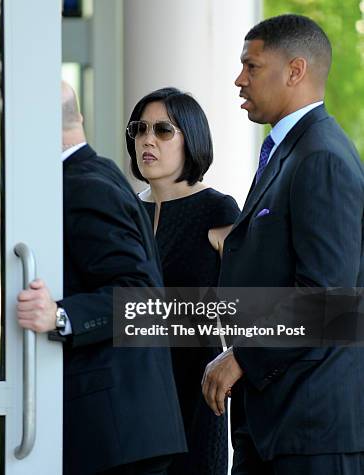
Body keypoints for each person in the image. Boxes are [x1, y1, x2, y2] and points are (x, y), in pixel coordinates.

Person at [201, 14, 364, 474]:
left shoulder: (322, 158)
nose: (239, 79)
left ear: (295, 71)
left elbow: (326, 299)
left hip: (311, 433)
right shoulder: (290, 151)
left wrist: (243, 357)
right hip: (275, 426)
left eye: (251, 67)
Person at [16, 82, 186, 475]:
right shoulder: (95, 173)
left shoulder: (82, 186)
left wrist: (59, 316)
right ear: (79, 118)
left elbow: (143, 296)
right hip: (121, 431)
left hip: (117, 435)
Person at [126, 87, 240, 475]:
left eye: (162, 130)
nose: (147, 140)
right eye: (139, 129)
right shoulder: (126, 210)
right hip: (131, 393)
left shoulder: (217, 208)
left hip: (195, 390)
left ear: (191, 139)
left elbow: (249, 305)